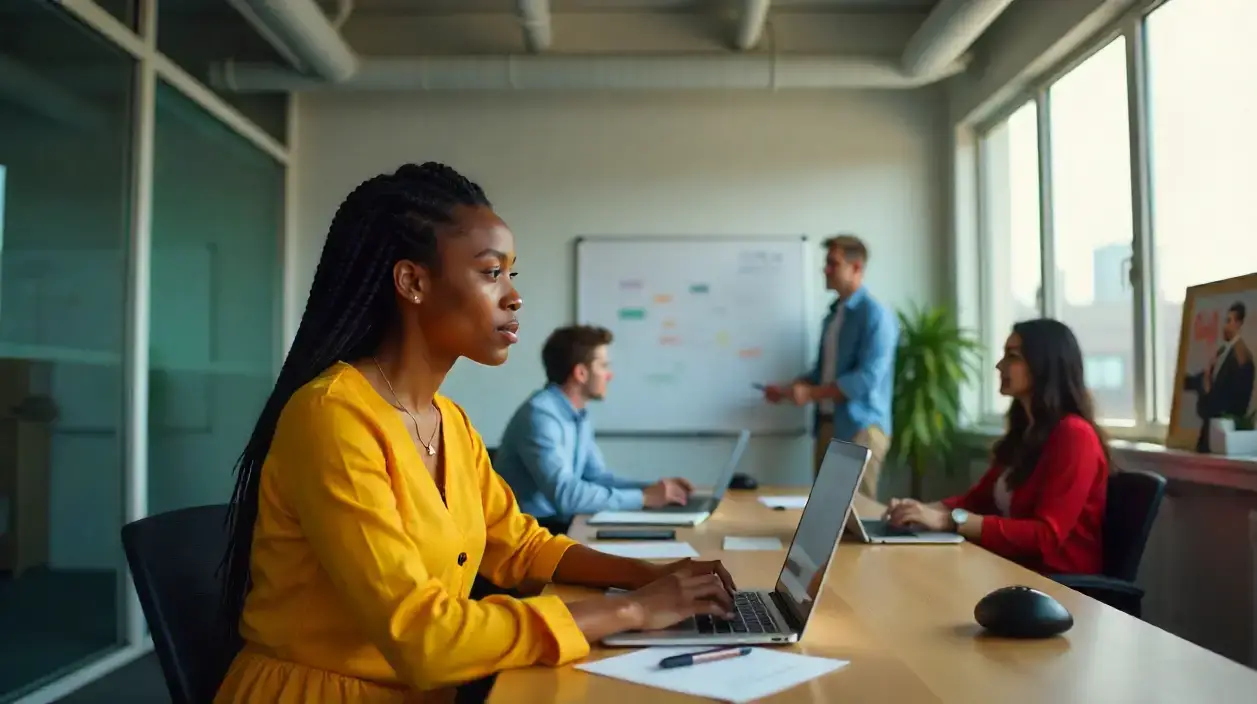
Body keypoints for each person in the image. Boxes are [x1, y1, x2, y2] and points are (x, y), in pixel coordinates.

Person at [213, 163, 737, 704]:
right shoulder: (331, 418)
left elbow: (521, 548)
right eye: (491, 273)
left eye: (513, 275)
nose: (513, 297)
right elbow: (423, 637)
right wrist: (631, 610)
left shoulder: (451, 422)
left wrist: (651, 577)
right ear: (413, 282)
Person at [883, 318, 1109, 576]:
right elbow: (977, 501)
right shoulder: (1025, 432)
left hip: (1058, 585)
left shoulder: (1075, 435)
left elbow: (1045, 536)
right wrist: (918, 510)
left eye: (1012, 357)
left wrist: (947, 521)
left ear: (1043, 365)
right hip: (1013, 569)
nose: (1000, 365)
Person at [494, 325, 693, 534]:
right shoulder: (540, 415)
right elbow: (565, 496)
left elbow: (596, 478)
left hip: (554, 526)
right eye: (604, 366)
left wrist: (655, 490)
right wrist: (644, 498)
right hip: (527, 534)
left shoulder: (578, 414)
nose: (610, 375)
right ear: (581, 373)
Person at [761, 235, 898, 499]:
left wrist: (811, 394)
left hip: (861, 427)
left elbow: (866, 380)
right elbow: (822, 374)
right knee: (824, 511)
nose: (825, 270)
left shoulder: (875, 315)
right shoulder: (834, 315)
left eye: (833, 263)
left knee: (854, 514)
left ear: (856, 268)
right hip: (827, 425)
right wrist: (792, 389)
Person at [1183, 301, 1254, 453]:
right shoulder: (1223, 351)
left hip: (1221, 444)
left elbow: (1235, 406)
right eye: (1225, 321)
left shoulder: (1242, 359)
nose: (1225, 326)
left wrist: (1207, 392)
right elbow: (1208, 378)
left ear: (1239, 323)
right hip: (1209, 439)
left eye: (1229, 321)